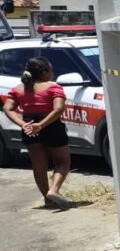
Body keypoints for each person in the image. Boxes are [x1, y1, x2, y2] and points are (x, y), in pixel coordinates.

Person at [3, 57, 71, 208]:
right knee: (62, 162)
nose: (52, 73)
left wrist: (23, 124)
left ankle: (47, 199)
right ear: (44, 72)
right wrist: (41, 125)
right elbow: (58, 109)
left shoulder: (18, 89)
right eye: (51, 70)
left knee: (38, 166)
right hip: (51, 127)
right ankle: (54, 190)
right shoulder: (53, 88)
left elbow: (7, 108)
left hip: (29, 128)